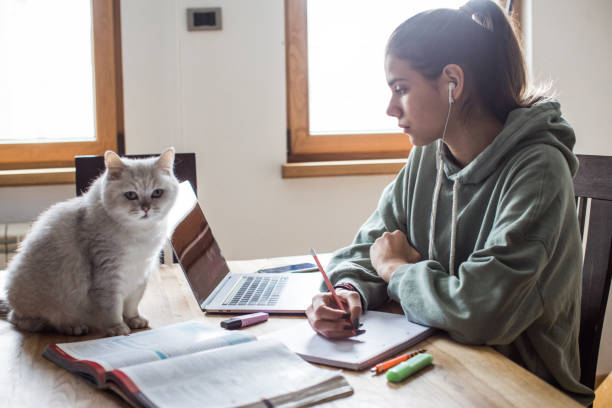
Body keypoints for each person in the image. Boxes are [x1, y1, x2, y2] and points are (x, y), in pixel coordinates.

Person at [305, 0, 594, 404]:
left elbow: (479, 312)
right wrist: (347, 290)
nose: (390, 108)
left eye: (401, 89)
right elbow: (369, 246)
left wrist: (395, 270)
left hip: (521, 389)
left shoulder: (538, 170)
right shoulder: (427, 155)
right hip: (441, 365)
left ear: (453, 82)